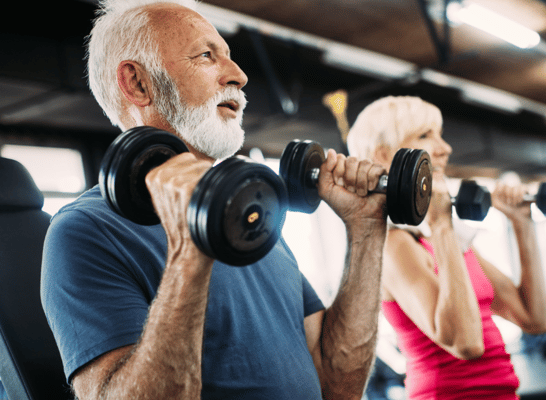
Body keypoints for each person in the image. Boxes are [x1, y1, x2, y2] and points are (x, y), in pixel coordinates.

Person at [40, 1, 388, 399]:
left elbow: (336, 385)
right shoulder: (85, 231)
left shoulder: (251, 216)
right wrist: (191, 250)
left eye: (230, 57)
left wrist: (365, 230)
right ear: (137, 84)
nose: (238, 76)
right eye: (206, 55)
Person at [346, 96, 546, 399]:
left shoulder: (449, 243)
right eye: (425, 136)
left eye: (439, 135)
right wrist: (442, 223)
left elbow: (533, 320)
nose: (445, 148)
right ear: (385, 155)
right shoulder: (394, 245)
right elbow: (466, 343)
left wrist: (523, 224)